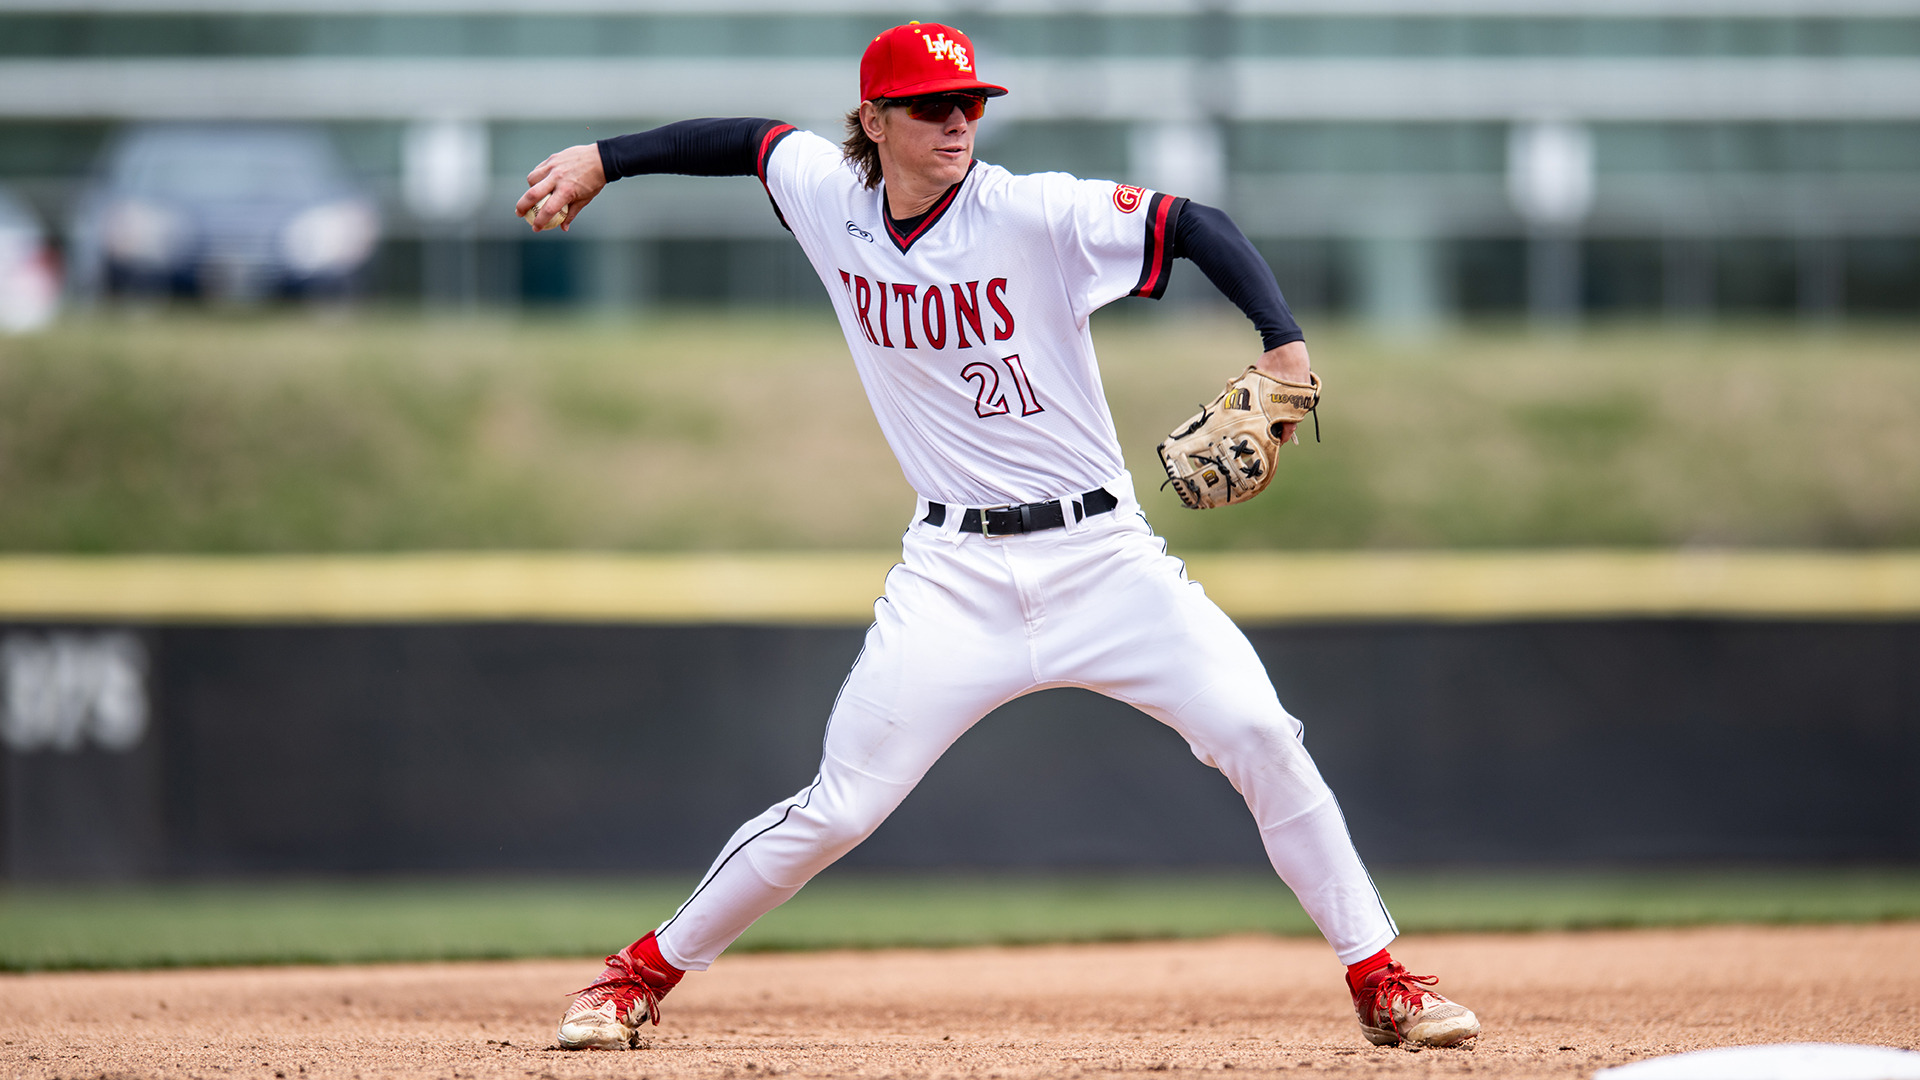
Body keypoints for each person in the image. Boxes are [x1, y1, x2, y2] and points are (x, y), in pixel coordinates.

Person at [517, 20, 1480, 1053]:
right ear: (875, 121)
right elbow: (749, 139)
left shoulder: (1032, 213)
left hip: (1105, 561)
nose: (958, 123)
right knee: (840, 809)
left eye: (971, 103)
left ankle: (1381, 979)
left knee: (1260, 737)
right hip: (954, 575)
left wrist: (1283, 349)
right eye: (933, 106)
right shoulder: (826, 196)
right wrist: (604, 161)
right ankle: (637, 976)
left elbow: (1194, 222)